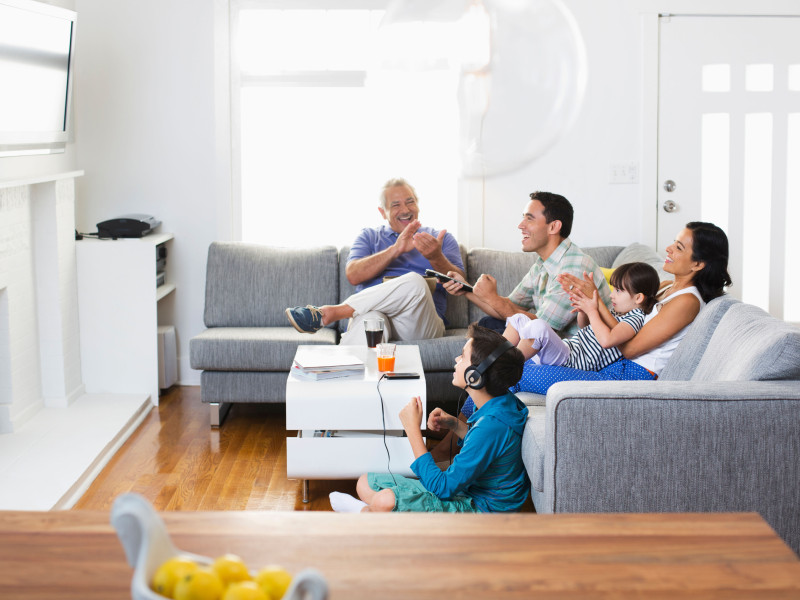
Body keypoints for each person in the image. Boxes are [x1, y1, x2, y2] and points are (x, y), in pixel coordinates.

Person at [511, 221, 731, 394]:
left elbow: (630, 348)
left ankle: (477, 410)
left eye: (679, 247)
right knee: (516, 367)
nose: (669, 248)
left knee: (515, 373)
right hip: (614, 365)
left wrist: (595, 305)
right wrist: (590, 302)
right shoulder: (665, 287)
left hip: (630, 377)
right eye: (674, 242)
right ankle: (477, 409)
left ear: (698, 264)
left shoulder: (687, 302)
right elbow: (627, 324)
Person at [328, 324, 530, 513]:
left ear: (474, 377)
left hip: (480, 509)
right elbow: (486, 445)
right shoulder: (502, 404)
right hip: (467, 491)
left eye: (462, 357)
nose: (456, 360)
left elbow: (442, 488)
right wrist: (454, 424)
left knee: (385, 500)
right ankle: (378, 516)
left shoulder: (492, 425)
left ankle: (364, 513)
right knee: (366, 482)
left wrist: (412, 430)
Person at [285, 178, 465, 344]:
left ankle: (331, 313)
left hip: (418, 324)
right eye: (396, 205)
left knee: (415, 283)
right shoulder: (369, 237)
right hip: (375, 316)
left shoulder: (440, 239)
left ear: (418, 204)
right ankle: (343, 375)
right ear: (383, 212)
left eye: (410, 202)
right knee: (368, 320)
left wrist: (435, 256)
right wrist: (395, 250)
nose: (405, 210)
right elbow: (353, 275)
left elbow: (460, 283)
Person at [504, 262, 661, 371]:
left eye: (619, 291)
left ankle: (506, 366)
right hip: (568, 349)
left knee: (539, 327)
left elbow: (607, 340)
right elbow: (585, 327)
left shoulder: (636, 317)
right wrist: (583, 309)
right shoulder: (617, 312)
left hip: (573, 362)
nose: (612, 295)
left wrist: (593, 311)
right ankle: (496, 358)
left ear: (639, 298)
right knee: (518, 318)